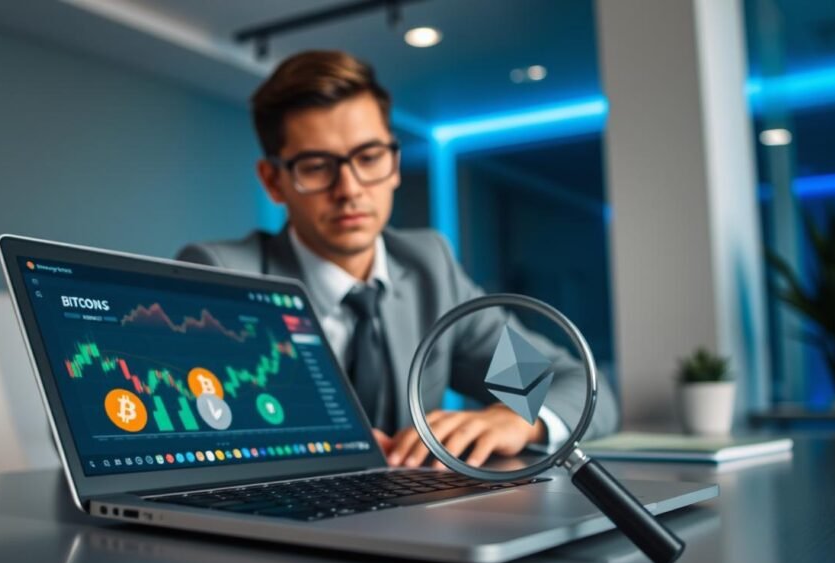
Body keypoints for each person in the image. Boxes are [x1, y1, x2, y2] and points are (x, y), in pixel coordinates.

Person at [178, 50, 618, 468]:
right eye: (316, 166)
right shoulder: (223, 276)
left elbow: (572, 384)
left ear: (393, 164)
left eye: (369, 158)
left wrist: (518, 419)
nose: (349, 188)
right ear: (274, 181)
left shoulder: (430, 270)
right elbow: (189, 434)